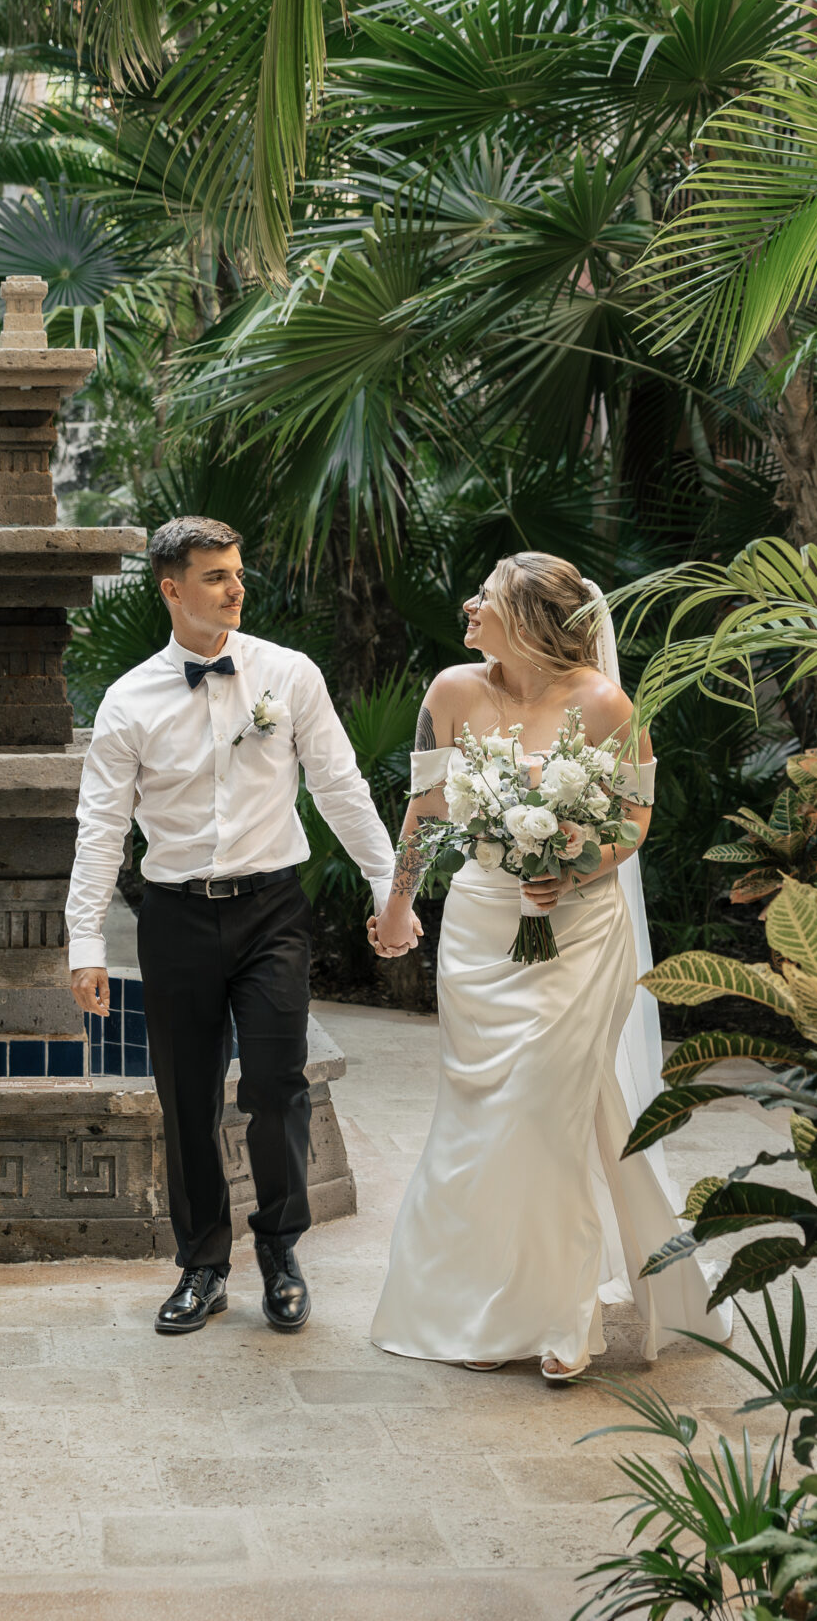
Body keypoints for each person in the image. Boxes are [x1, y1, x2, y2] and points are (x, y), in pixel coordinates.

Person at [368, 554, 725, 1380]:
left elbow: (634, 823)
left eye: (484, 597)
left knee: (545, 1111)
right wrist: (397, 903)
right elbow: (425, 808)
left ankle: (564, 1321)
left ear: (528, 618)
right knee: (481, 1117)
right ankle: (475, 1307)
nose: (466, 603)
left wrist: (575, 864)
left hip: (577, 931)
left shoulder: (606, 705)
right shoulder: (450, 692)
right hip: (481, 927)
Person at [65, 517, 416, 1336]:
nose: (235, 589)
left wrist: (383, 885)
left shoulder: (287, 674)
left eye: (237, 572)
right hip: (175, 917)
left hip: (271, 913)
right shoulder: (128, 700)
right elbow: (99, 827)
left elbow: (338, 784)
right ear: (171, 588)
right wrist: (85, 944)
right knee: (185, 1098)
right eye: (216, 576)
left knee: (274, 1085)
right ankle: (202, 1266)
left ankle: (282, 1253)